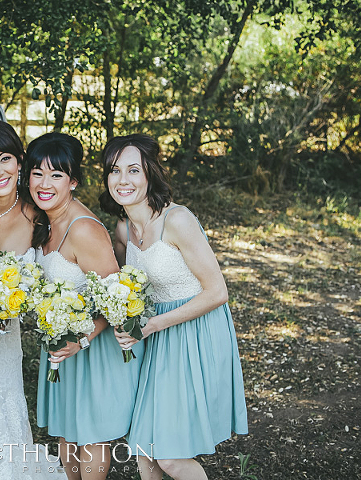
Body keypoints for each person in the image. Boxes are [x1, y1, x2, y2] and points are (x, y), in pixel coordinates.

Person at [99, 133, 248, 480]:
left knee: (170, 457)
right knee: (145, 452)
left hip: (194, 334)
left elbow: (217, 292)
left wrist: (150, 326)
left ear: (150, 173)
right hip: (158, 339)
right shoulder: (124, 228)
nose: (123, 180)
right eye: (114, 171)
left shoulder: (177, 220)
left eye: (133, 170)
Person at [26, 132, 143, 480]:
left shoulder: (84, 229)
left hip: (92, 350)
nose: (44, 183)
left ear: (73, 181)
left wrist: (82, 339)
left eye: (56, 175)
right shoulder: (44, 219)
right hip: (62, 348)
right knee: (65, 434)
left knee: (90, 437)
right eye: (36, 173)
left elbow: (116, 298)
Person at [0, 120, 65, 479]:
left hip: (7, 346)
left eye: (4, 158)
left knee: (5, 417)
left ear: (20, 161)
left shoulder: (38, 214)